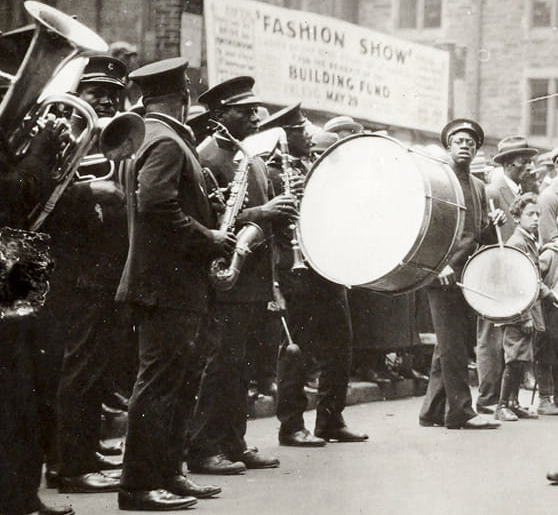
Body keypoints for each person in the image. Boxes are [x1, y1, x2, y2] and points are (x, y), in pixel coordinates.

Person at [116, 57, 232, 510]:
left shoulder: (155, 136)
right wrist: (211, 239)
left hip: (169, 285)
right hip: (166, 286)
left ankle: (167, 473)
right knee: (160, 385)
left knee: (174, 384)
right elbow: (157, 207)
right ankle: (139, 485)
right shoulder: (165, 140)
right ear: (181, 95)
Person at [187, 76, 297, 474]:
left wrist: (280, 218)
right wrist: (264, 214)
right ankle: (202, 448)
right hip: (226, 278)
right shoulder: (208, 157)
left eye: (254, 109)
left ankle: (234, 443)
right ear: (220, 114)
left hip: (249, 278)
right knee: (219, 366)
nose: (255, 116)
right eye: (243, 110)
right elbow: (211, 220)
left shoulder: (245, 154)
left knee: (240, 367)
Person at [259, 103, 368, 447]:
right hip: (296, 273)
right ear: (284, 137)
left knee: (341, 346)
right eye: (298, 130)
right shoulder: (273, 172)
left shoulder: (314, 169)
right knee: (296, 350)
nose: (307, 134)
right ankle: (291, 425)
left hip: (326, 269)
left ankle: (330, 420)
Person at [52, 55, 130, 494]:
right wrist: (90, 191)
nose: (105, 99)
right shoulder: (62, 134)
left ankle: (82, 450)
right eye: (96, 91)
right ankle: (72, 465)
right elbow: (39, 196)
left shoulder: (105, 138)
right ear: (77, 94)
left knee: (94, 368)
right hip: (75, 270)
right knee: (80, 369)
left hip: (101, 269)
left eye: (113, 94)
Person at [0, 81, 74, 515]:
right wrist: (43, 151)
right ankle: (16, 498)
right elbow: (13, 194)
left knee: (29, 387)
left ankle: (22, 494)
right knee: (18, 390)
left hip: (17, 263)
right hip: (8, 268)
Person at [419, 118, 504, 430]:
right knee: (453, 346)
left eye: (471, 142)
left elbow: (479, 236)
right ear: (448, 146)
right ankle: (460, 413)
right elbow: (427, 228)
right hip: (441, 274)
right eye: (459, 141)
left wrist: (493, 221)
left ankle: (430, 411)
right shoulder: (439, 180)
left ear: (477, 149)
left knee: (449, 344)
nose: (465, 146)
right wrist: (437, 265)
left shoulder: (480, 187)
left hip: (466, 275)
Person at [476, 136, 537, 415]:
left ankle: (508, 400)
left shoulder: (520, 189)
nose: (528, 165)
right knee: (491, 336)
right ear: (509, 163)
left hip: (514, 273)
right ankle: (489, 398)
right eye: (524, 160)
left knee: (512, 340)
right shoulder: (492, 191)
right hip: (495, 273)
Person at [495, 193, 555, 420]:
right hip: (518, 312)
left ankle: (513, 402)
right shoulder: (517, 242)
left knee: (521, 358)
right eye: (530, 214)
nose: (536, 218)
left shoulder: (528, 239)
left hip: (527, 309)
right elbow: (518, 283)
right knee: (514, 359)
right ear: (518, 217)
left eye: (538, 214)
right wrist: (525, 316)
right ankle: (502, 406)